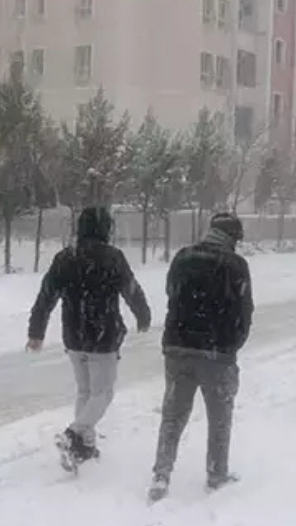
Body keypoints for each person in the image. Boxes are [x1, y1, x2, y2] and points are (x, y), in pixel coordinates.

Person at [28, 206, 151, 471]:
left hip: (74, 336)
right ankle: (73, 434)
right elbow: (131, 289)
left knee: (85, 392)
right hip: (103, 336)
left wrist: (36, 331)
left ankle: (85, 447)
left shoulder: (65, 258)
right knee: (103, 394)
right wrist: (142, 314)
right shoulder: (112, 257)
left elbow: (46, 296)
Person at [149, 213, 253, 502]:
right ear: (232, 238)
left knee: (173, 415)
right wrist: (232, 345)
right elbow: (245, 312)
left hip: (177, 347)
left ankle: (161, 474)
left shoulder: (183, 257)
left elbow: (171, 293)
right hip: (217, 353)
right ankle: (216, 474)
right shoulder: (236, 265)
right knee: (219, 417)